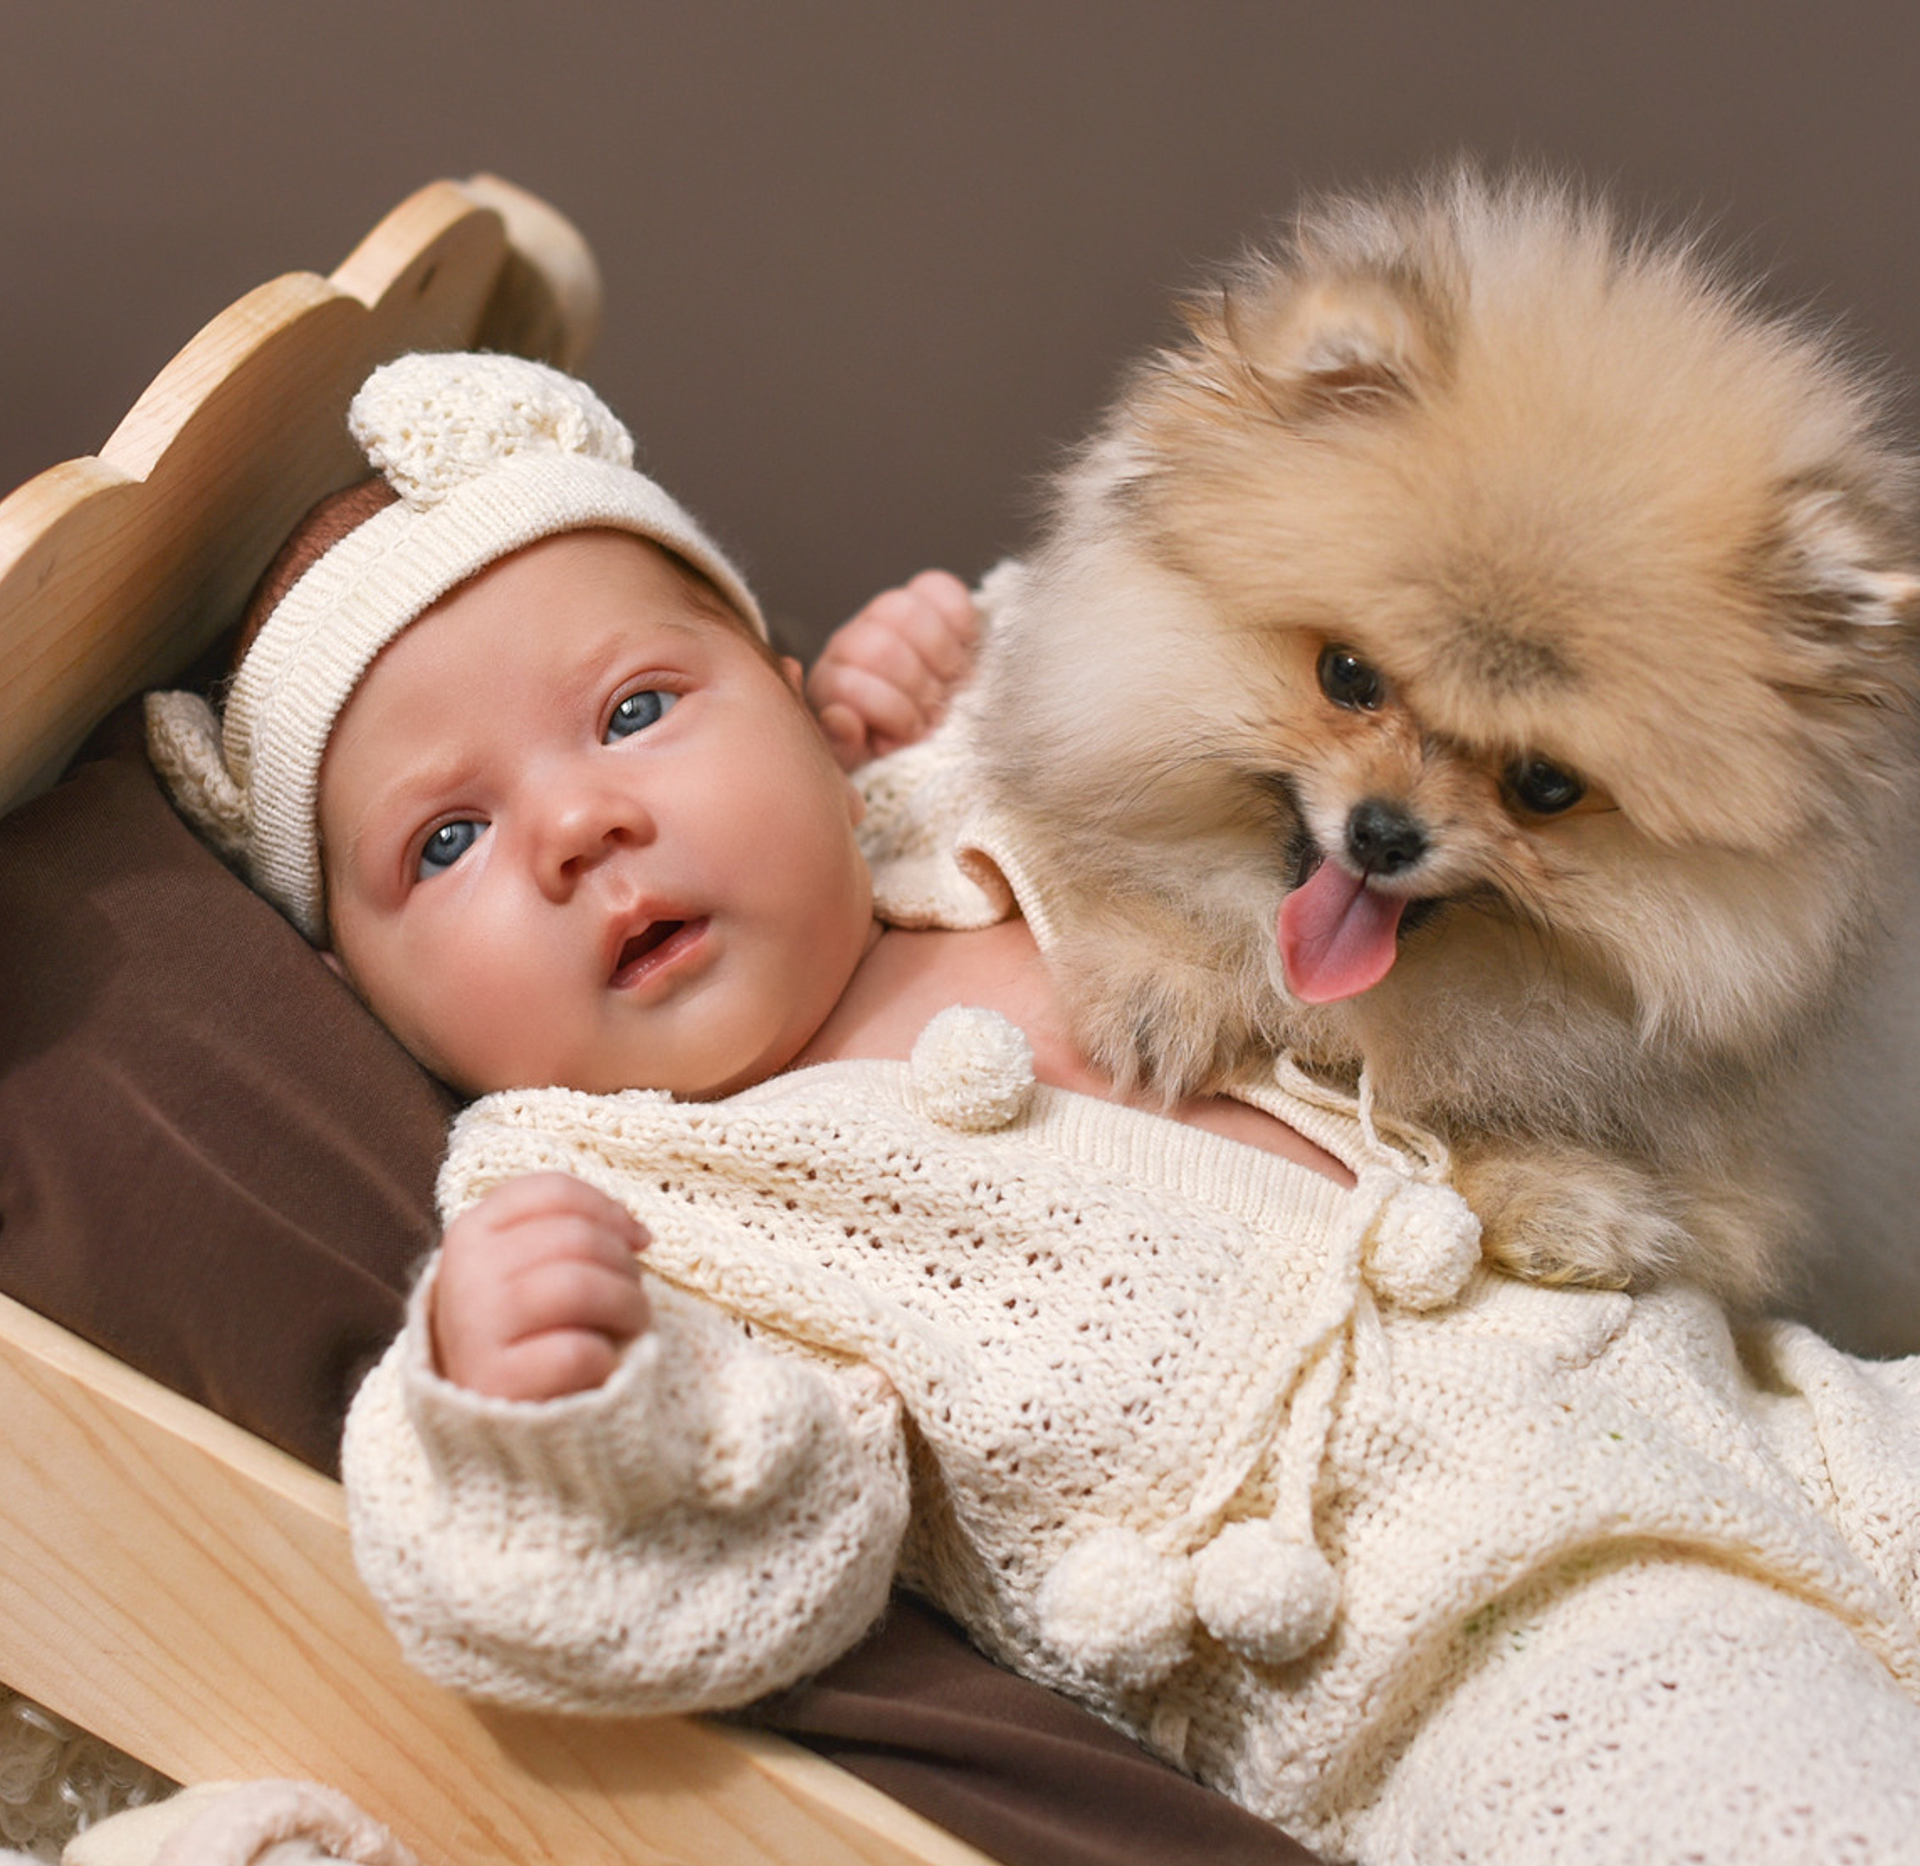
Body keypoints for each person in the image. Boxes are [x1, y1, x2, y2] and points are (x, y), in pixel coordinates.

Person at [149, 353, 1920, 1865]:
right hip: (1468, 1634)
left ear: (793, 703)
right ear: (359, 993)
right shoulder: (616, 1187)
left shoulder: (953, 808)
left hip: (1763, 1409)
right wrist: (547, 1412)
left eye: (636, 709)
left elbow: (1181, 651)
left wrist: (955, 666)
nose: (577, 824)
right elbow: (753, 1553)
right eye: (446, 839)